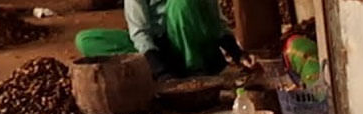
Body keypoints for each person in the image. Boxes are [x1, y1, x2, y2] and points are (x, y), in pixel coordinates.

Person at [75, 0, 247, 80]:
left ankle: (195, 70)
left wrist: (237, 53)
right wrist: (160, 70)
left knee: (182, 4)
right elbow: (139, 31)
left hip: (195, 45)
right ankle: (166, 69)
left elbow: (216, 22)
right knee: (86, 39)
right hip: (161, 49)